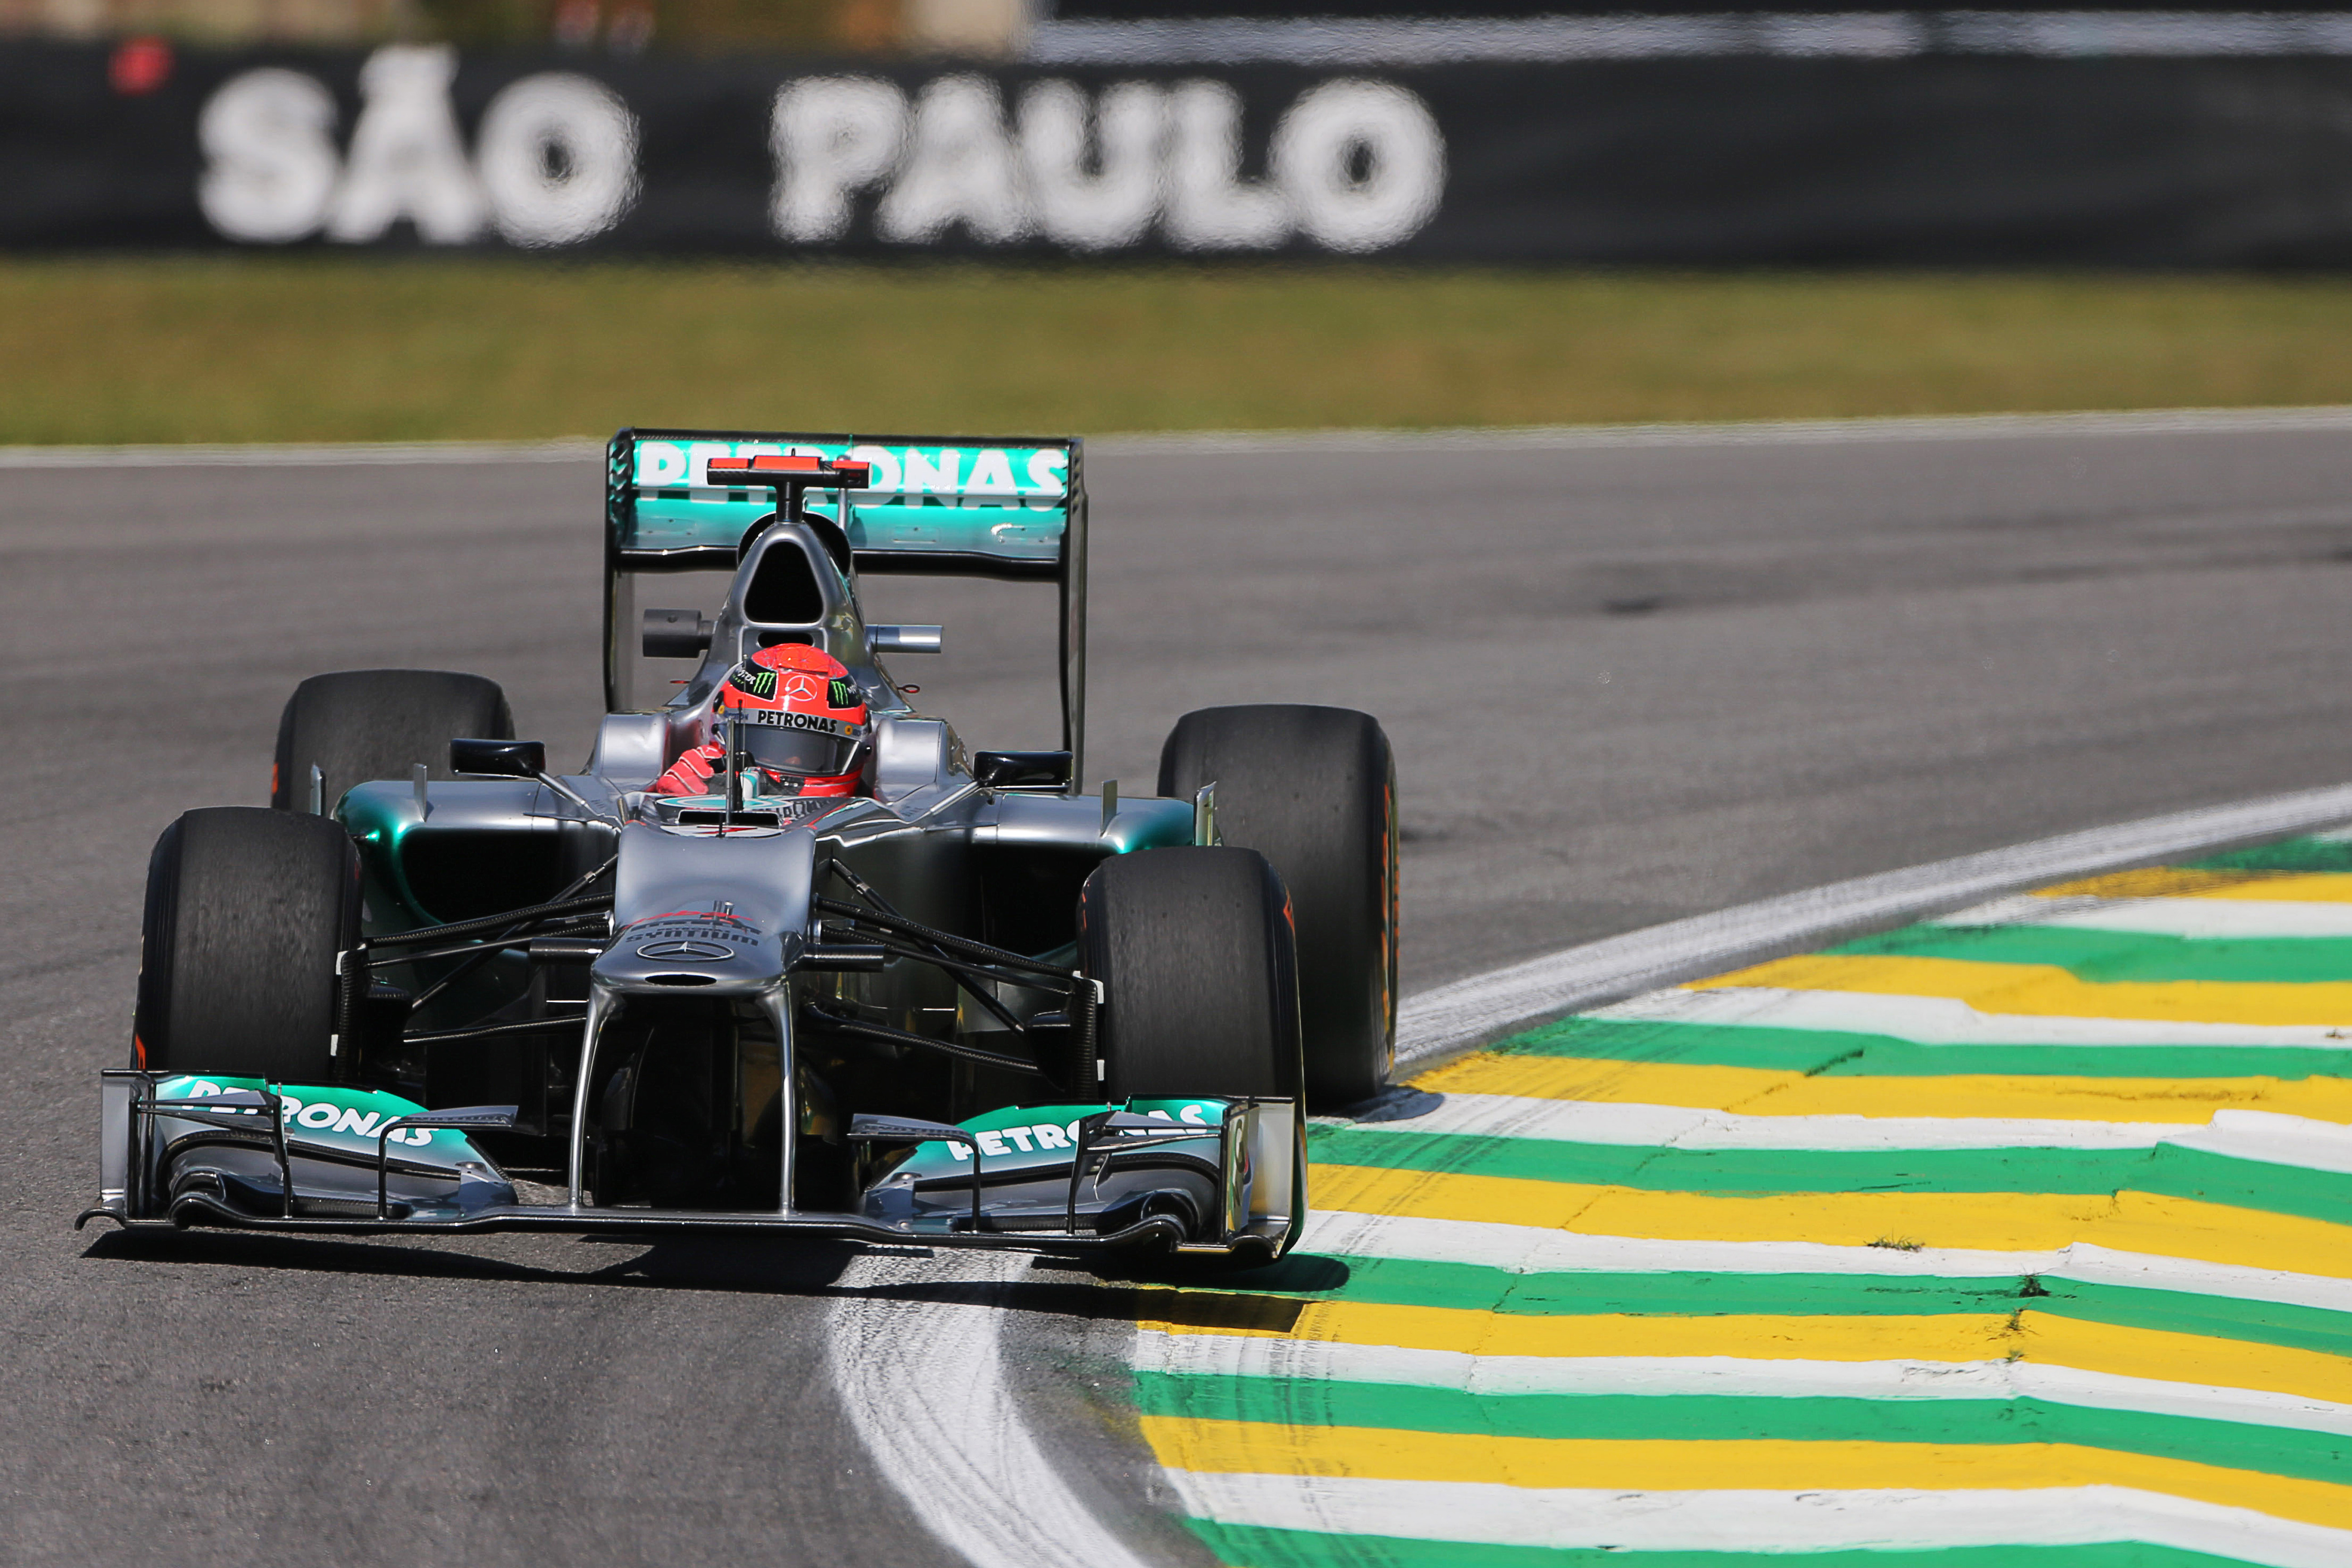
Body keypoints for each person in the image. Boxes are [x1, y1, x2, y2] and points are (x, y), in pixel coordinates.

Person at [654, 643, 871, 818]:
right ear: (720, 732)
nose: (791, 762)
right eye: (765, 749)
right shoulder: (704, 778)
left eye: (811, 754)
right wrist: (664, 807)